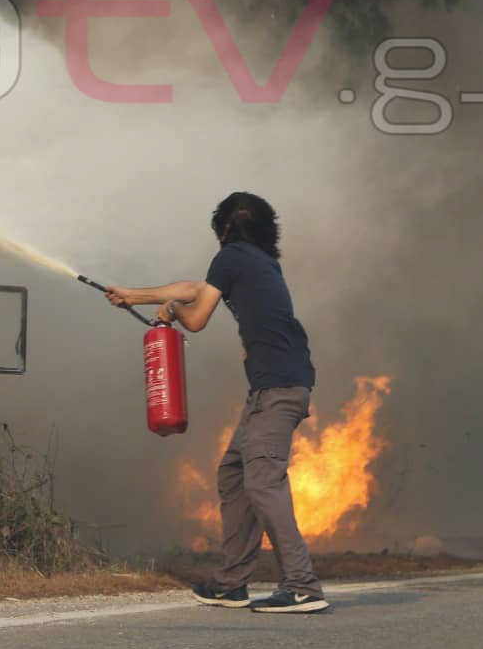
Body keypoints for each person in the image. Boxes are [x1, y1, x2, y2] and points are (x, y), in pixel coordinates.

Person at [105, 191, 328, 614]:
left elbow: (196, 317)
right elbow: (196, 289)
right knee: (234, 472)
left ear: (222, 229)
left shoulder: (232, 257)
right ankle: (231, 584)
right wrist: (132, 296)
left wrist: (171, 311)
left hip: (278, 388)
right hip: (273, 388)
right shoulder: (258, 262)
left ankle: (302, 585)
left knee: (263, 480)